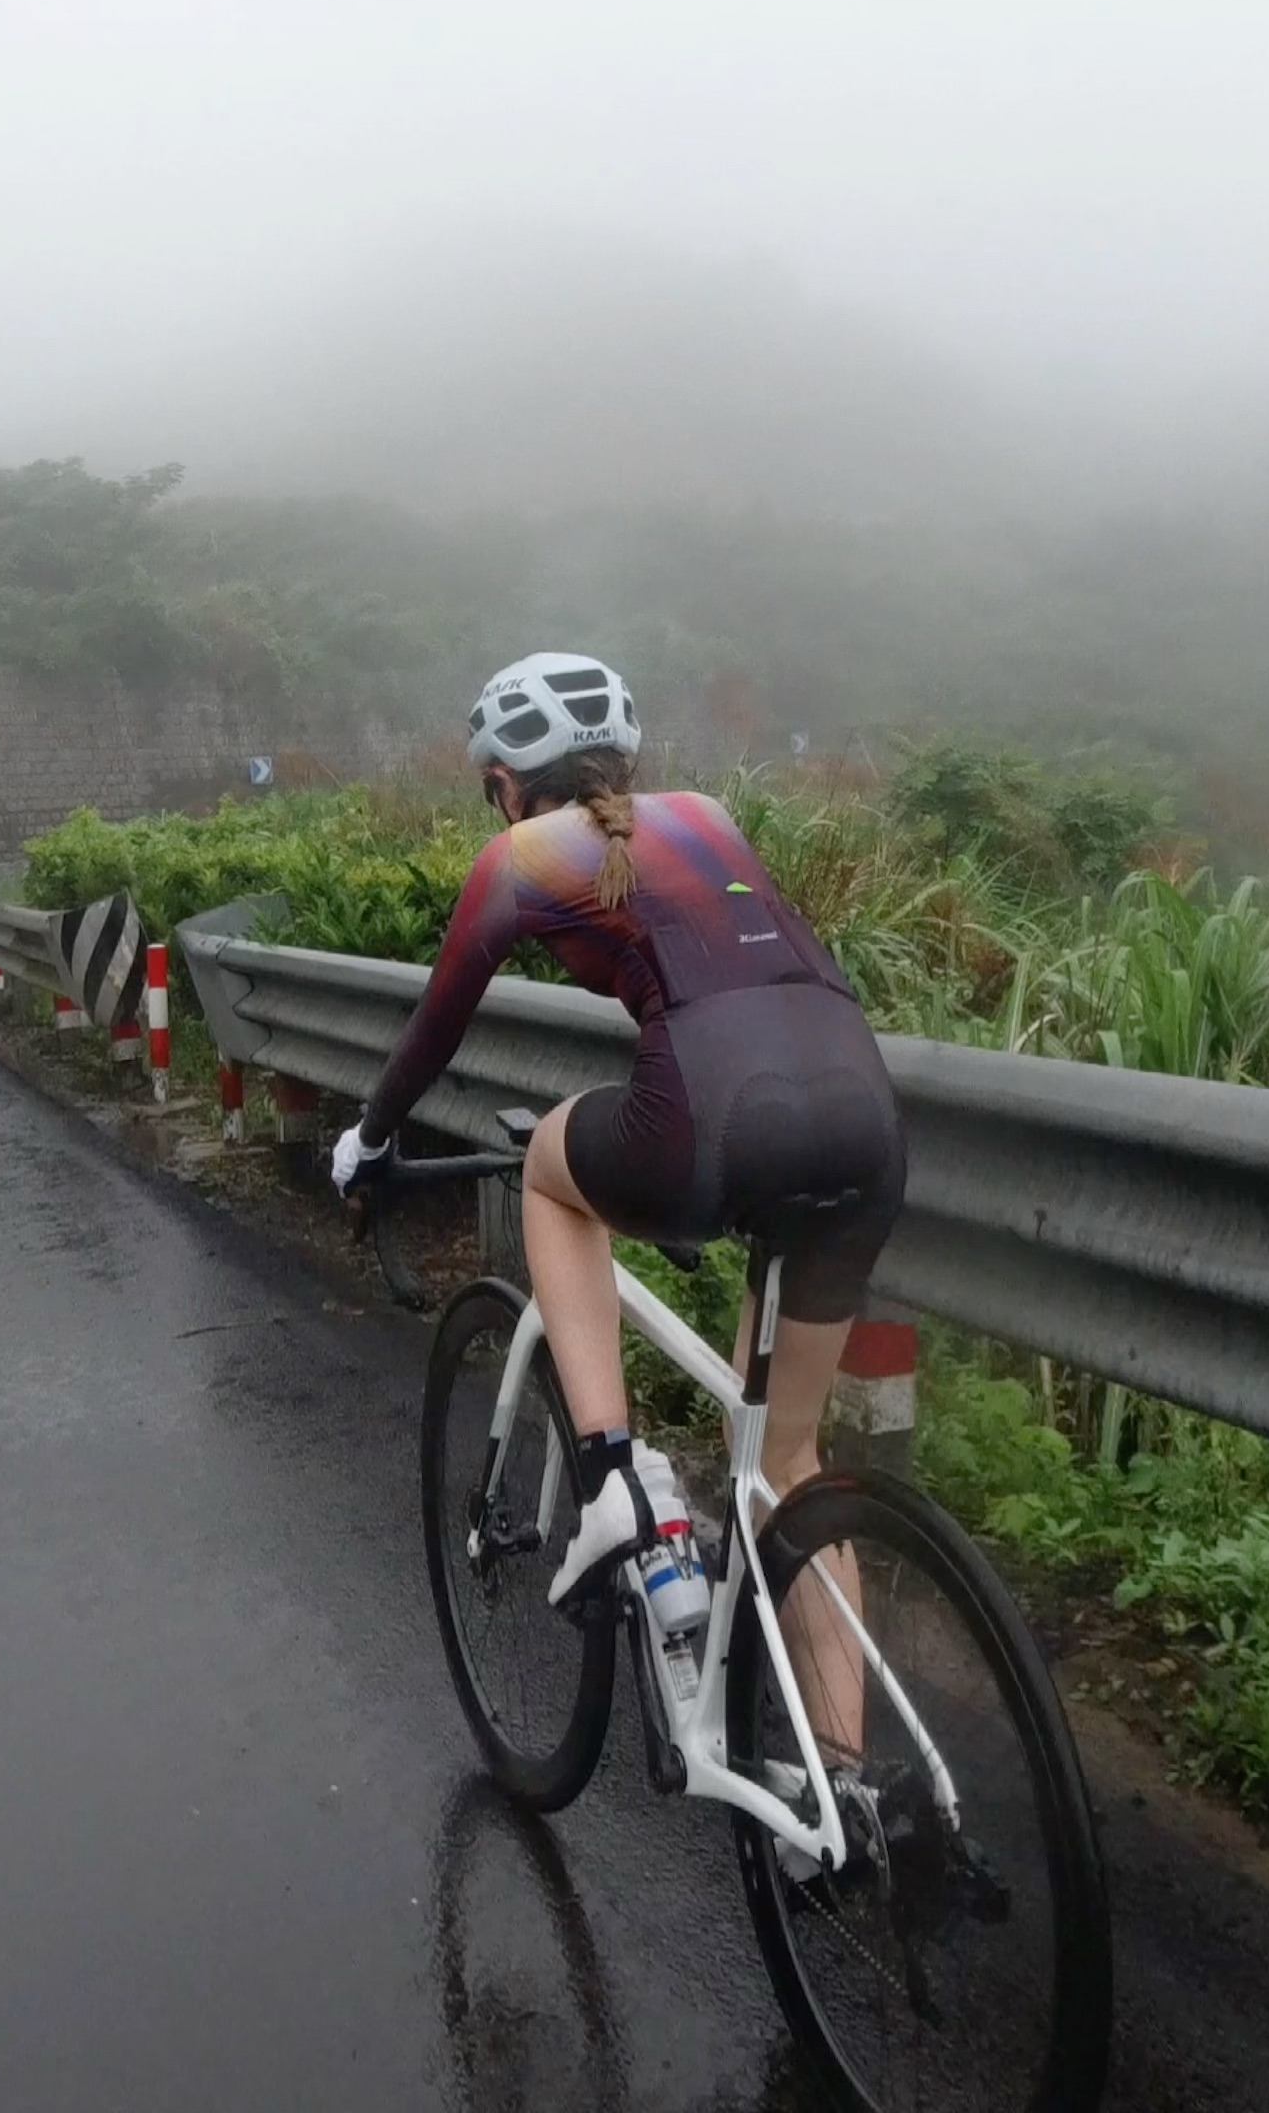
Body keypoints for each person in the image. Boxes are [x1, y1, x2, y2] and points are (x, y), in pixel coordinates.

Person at [332, 655, 905, 1741]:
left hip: (712, 1117)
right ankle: (845, 1792)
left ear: (504, 781)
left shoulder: (519, 855)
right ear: (625, 758)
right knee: (788, 1464)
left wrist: (367, 1142)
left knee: (551, 1167)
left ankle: (610, 1481)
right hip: (864, 1111)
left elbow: (436, 1027)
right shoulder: (707, 813)